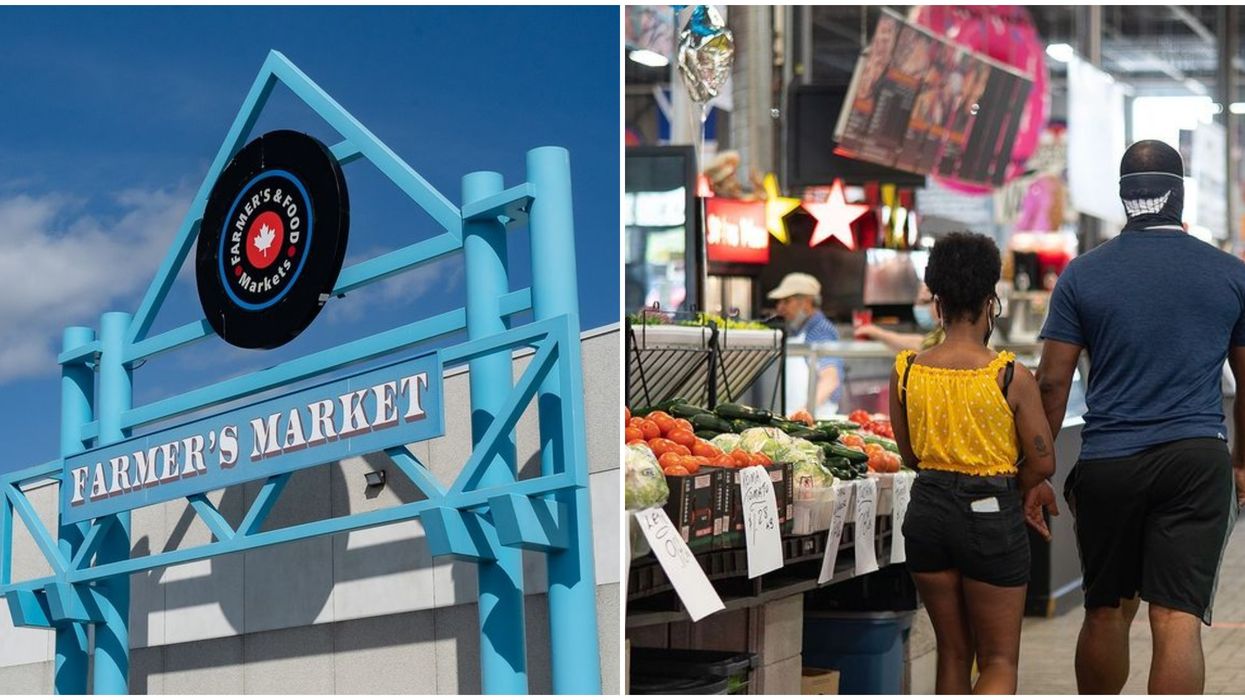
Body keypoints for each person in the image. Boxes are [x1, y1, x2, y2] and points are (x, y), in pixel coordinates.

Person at [1029, 139, 1245, 694]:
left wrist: (1038, 471)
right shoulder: (1229, 274)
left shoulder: (1083, 275)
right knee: (1175, 620)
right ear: (1179, 195)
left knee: (1105, 611)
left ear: (1125, 198)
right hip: (1196, 461)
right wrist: (1242, 464)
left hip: (1109, 462)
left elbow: (1051, 381)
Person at [891, 233, 1055, 694]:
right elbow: (1043, 461)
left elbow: (908, 455)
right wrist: (1016, 485)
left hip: (926, 515)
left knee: (953, 653)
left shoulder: (905, 370)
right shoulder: (1008, 375)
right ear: (991, 301)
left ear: (937, 300)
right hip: (990, 517)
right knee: (999, 660)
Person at [767, 273, 845, 418]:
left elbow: (830, 379)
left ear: (806, 302)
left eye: (786, 301)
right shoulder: (797, 329)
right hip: (794, 417)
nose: (780, 307)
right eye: (779, 302)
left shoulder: (820, 330)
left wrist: (804, 412)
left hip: (815, 419)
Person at [857, 287, 944, 352]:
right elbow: (924, 343)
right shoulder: (939, 333)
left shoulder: (949, 335)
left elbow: (921, 346)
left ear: (938, 303)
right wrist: (876, 332)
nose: (919, 308)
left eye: (925, 302)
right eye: (917, 302)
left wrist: (877, 333)